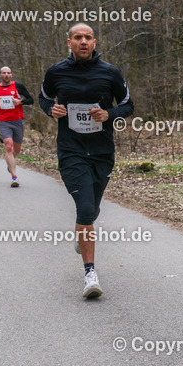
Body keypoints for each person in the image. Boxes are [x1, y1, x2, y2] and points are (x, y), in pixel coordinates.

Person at [38, 23, 133, 299]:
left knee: (91, 212)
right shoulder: (56, 72)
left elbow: (128, 105)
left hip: (102, 153)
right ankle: (90, 273)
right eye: (77, 37)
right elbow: (44, 98)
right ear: (69, 42)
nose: (83, 41)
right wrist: (51, 110)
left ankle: (83, 228)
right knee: (86, 208)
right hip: (71, 151)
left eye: (87, 38)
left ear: (94, 42)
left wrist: (110, 114)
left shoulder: (109, 72)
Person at [0, 66, 33, 187]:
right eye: (4, 73)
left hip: (18, 121)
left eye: (8, 73)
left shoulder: (18, 86)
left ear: (11, 75)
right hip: (3, 121)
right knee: (8, 146)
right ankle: (14, 176)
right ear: (0, 75)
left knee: (17, 150)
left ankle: (10, 163)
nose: (6, 75)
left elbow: (31, 99)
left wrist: (20, 101)